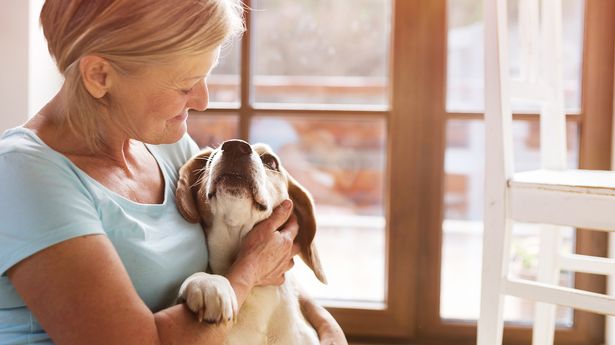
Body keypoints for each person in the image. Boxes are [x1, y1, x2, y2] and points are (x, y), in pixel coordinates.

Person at [0, 0, 347, 344]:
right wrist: (247, 274)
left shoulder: (165, 145)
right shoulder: (25, 175)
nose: (202, 100)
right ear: (99, 76)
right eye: (186, 84)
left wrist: (324, 326)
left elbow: (259, 250)